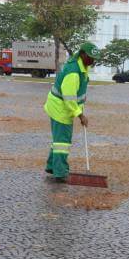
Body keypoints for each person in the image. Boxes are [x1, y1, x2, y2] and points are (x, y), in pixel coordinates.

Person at [43, 42, 100, 181]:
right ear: (83, 54)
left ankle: (52, 166)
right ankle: (60, 173)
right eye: (91, 57)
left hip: (61, 107)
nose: (93, 61)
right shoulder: (73, 72)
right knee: (63, 142)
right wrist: (80, 115)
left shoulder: (81, 66)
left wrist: (80, 106)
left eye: (95, 58)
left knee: (59, 140)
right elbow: (68, 97)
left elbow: (77, 92)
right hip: (60, 108)